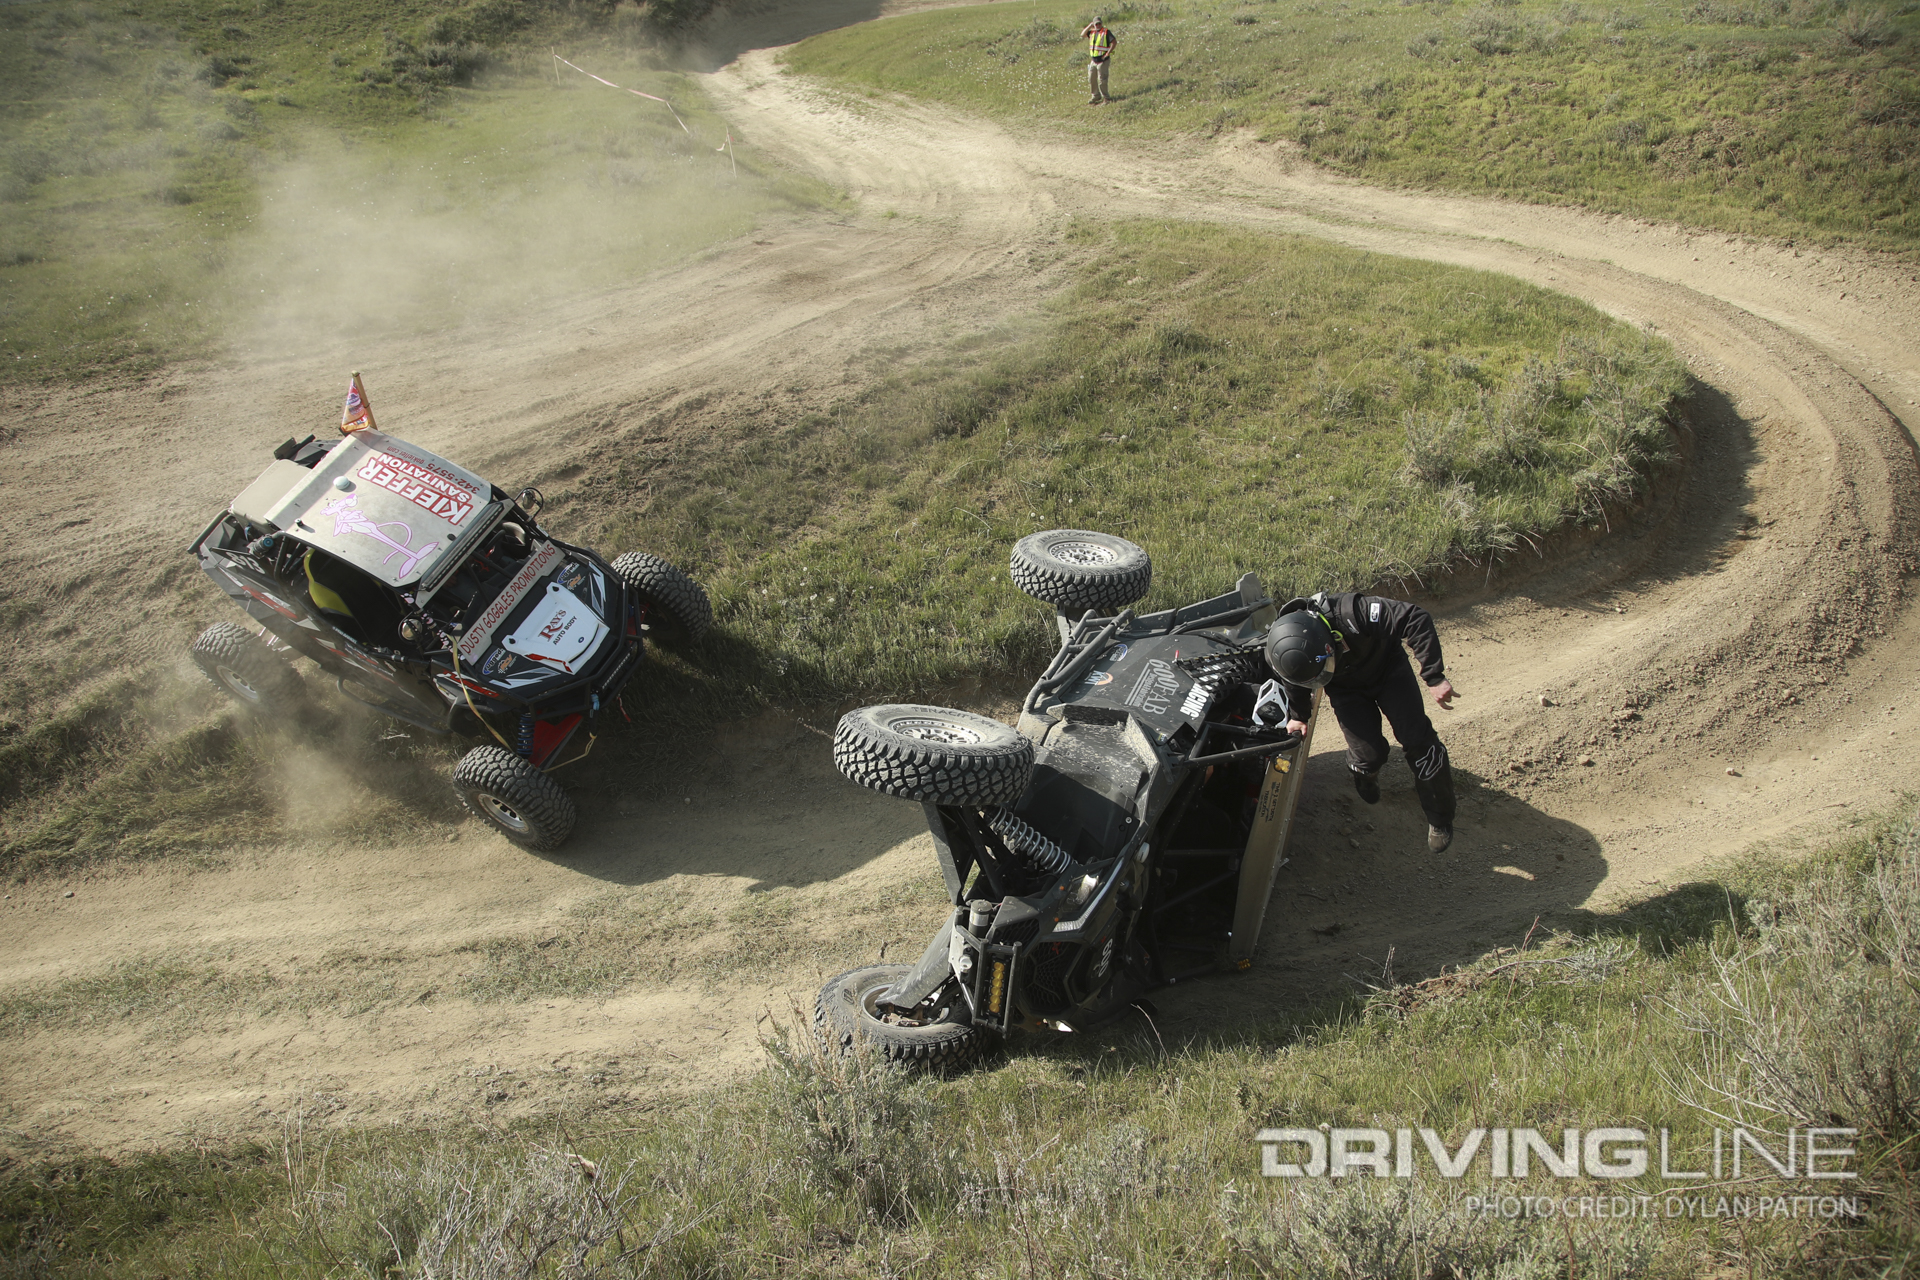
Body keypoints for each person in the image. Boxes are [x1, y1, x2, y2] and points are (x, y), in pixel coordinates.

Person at [1264, 592, 1460, 852]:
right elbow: (1294, 679)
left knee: (1418, 741)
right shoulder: (1283, 647)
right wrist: (1298, 716)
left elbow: (1415, 617)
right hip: (1345, 689)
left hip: (1388, 669)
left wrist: (1434, 676)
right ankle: (1365, 772)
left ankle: (1440, 819)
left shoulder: (1353, 612)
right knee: (1369, 755)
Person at [1081, 16, 1117, 105]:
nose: (1098, 25)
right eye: (1096, 24)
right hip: (1093, 60)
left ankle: (1106, 98)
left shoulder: (1106, 32)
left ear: (1102, 23)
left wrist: (1108, 53)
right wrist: (1090, 26)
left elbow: (1114, 42)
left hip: (1103, 60)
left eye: (1099, 23)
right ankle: (1096, 96)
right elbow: (1082, 35)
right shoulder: (1092, 32)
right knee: (1091, 78)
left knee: (1102, 80)